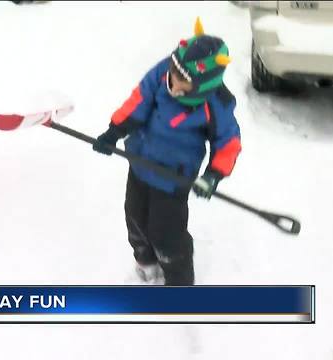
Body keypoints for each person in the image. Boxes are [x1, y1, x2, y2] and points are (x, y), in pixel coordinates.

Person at [93, 18, 241, 285]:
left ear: (203, 86)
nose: (173, 81)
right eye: (174, 72)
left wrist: (213, 175)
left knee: (166, 234)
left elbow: (228, 143)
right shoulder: (166, 72)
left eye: (183, 82)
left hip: (173, 178)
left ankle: (179, 282)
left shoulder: (216, 103)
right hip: (140, 161)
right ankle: (146, 261)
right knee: (135, 217)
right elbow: (139, 100)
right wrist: (114, 131)